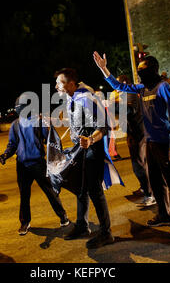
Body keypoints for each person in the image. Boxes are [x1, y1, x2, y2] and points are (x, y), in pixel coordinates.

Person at [93, 52, 170, 240]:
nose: (139, 74)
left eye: (142, 70)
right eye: (138, 71)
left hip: (165, 143)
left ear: (152, 70)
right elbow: (119, 86)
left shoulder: (163, 87)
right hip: (150, 142)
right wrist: (103, 68)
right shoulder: (142, 88)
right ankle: (165, 215)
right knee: (156, 181)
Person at [55, 68, 116, 248]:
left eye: (60, 82)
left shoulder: (86, 98)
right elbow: (76, 122)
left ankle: (106, 233)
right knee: (81, 189)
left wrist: (90, 139)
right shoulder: (72, 98)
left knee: (95, 191)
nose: (56, 85)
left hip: (92, 150)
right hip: (80, 149)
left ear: (71, 83)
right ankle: (82, 225)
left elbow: (103, 126)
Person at [0, 95, 70, 235]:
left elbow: (48, 140)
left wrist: (48, 127)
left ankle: (63, 216)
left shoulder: (39, 121)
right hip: (22, 165)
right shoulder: (16, 124)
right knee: (24, 195)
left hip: (38, 163)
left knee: (50, 191)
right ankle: (25, 223)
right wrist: (6, 154)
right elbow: (12, 144)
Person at [123, 76, 156, 207]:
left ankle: (150, 194)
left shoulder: (130, 95)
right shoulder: (126, 95)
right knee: (138, 163)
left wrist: (113, 105)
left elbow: (130, 110)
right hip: (134, 133)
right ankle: (144, 187)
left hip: (139, 134)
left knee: (140, 164)